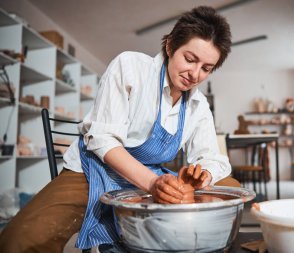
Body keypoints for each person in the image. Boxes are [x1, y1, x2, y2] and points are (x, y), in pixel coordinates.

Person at [0, 5, 234, 252]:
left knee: (229, 190)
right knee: (21, 240)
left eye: (206, 68)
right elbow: (102, 139)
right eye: (190, 59)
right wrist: (153, 184)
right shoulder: (131, 67)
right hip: (93, 171)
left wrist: (202, 175)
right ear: (170, 47)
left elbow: (212, 158)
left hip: (153, 176)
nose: (195, 74)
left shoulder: (198, 105)